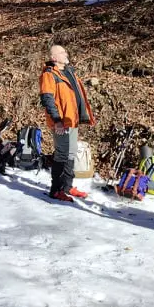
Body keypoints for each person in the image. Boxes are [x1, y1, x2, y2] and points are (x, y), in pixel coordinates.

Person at [39, 45, 95, 202]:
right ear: (54, 57)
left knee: (71, 153)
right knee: (62, 154)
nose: (66, 54)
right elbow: (47, 98)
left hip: (72, 119)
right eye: (62, 52)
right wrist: (57, 120)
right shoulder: (49, 74)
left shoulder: (69, 71)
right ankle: (56, 190)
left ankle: (67, 186)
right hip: (61, 121)